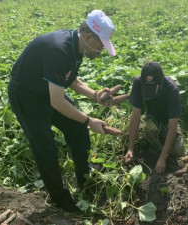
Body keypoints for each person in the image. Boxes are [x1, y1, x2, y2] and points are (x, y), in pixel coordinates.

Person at [8, 10, 117, 212]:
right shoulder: (60, 49)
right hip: (27, 95)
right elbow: (57, 101)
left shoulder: (78, 48)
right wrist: (88, 120)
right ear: (88, 36)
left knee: (77, 129)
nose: (100, 50)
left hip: (47, 90)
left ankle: (84, 177)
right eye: (100, 44)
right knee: (45, 147)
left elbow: (72, 80)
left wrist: (95, 95)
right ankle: (61, 200)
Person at [124, 61, 184, 173]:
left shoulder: (171, 89)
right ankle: (156, 143)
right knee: (141, 142)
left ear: (161, 79)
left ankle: (161, 146)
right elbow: (135, 116)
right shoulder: (138, 82)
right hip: (149, 118)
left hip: (167, 121)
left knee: (177, 150)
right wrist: (130, 148)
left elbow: (173, 125)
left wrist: (162, 158)